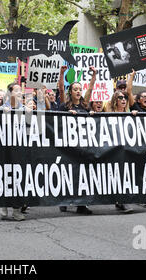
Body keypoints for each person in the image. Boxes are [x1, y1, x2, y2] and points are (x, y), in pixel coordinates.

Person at [56, 66, 96, 214]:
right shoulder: (64, 106)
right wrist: (61, 74)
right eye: (75, 89)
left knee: (82, 174)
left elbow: (90, 89)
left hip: (83, 146)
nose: (78, 91)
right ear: (70, 92)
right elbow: (60, 90)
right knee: (68, 173)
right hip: (69, 146)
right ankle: (64, 200)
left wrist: (94, 75)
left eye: (80, 89)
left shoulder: (85, 106)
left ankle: (81, 205)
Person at [0, 82, 26, 221]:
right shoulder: (2, 109)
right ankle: (4, 205)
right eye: (17, 90)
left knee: (19, 178)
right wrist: (3, 115)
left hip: (20, 149)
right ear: (10, 93)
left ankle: (17, 210)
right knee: (5, 176)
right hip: (5, 149)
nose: (20, 93)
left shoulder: (26, 109)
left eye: (21, 90)